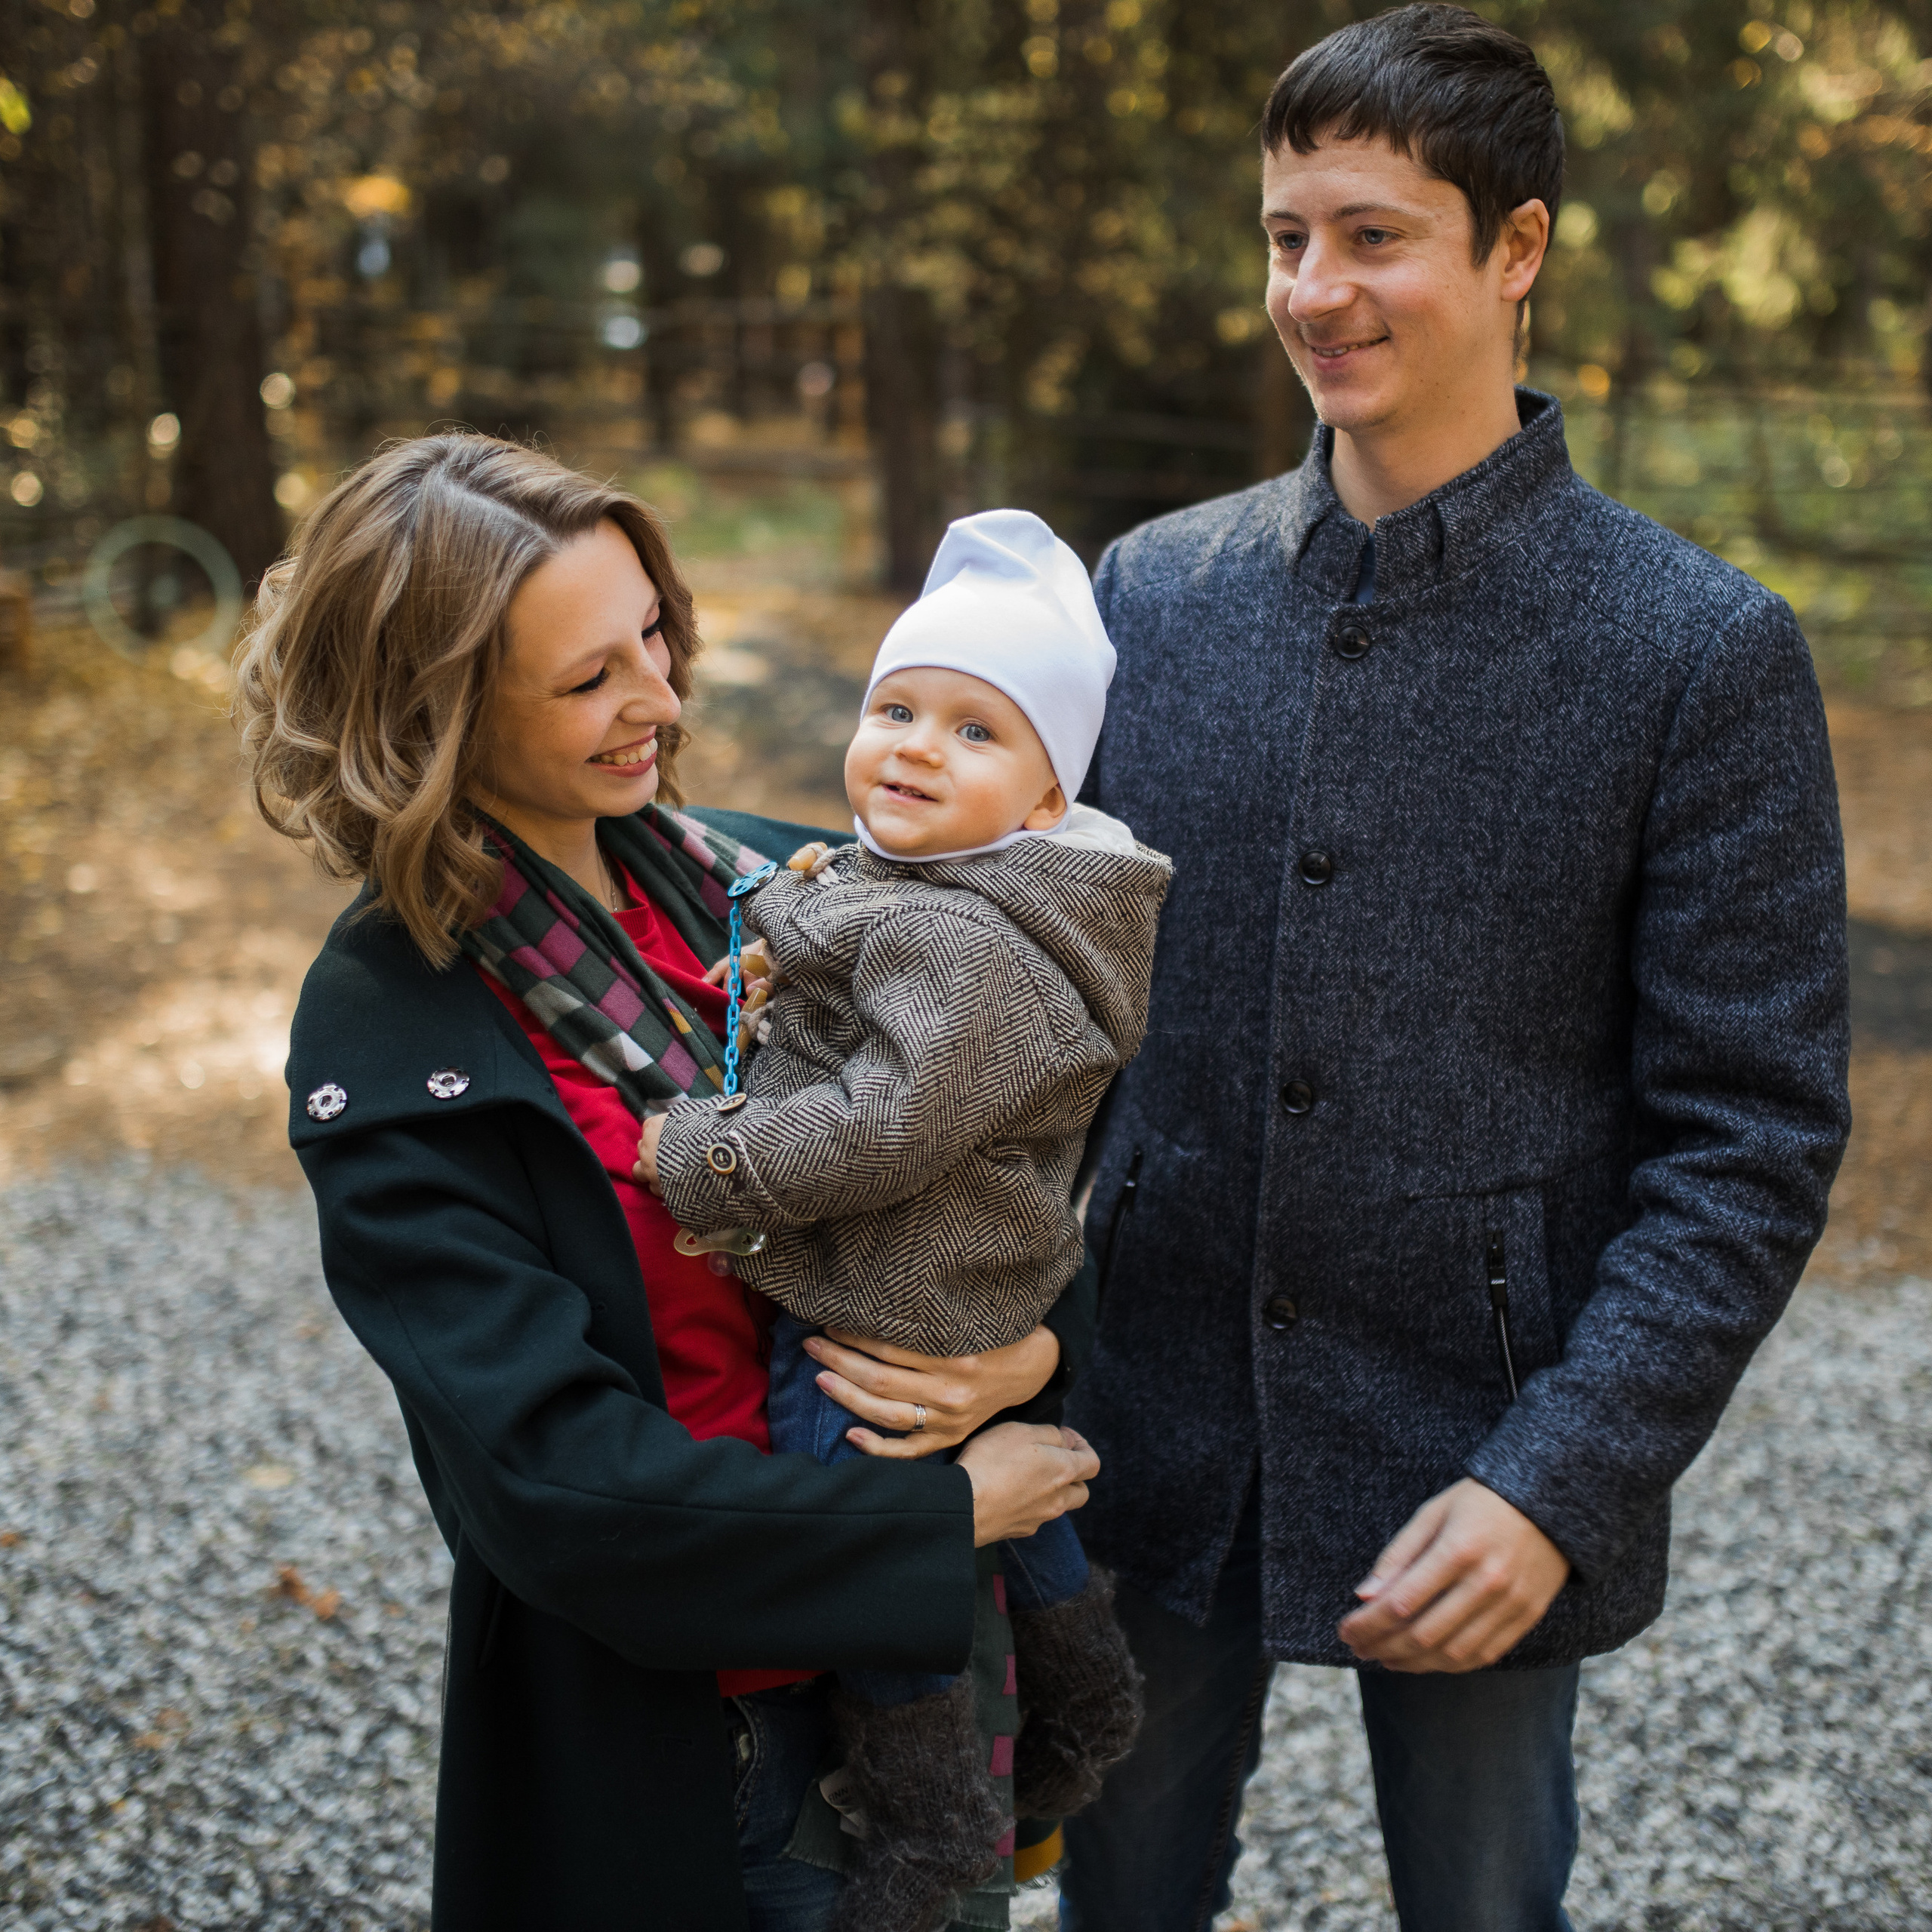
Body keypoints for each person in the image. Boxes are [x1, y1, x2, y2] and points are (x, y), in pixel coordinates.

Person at [1057, 8, 1852, 1930]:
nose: (1311, 291)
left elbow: (1746, 1135)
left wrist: (1555, 1478)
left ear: (1515, 249)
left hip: (1485, 1433)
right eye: (1280, 237)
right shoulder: (1143, 596)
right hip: (1145, 1412)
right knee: (1112, 1893)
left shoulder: (1693, 651)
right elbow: (1029, 1002)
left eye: (1370, 235)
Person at [233, 432, 1103, 1932]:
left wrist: (1033, 1350)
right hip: (714, 1751)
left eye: (652, 632)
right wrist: (942, 1509)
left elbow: (1014, 1159)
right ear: (429, 716)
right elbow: (555, 1486)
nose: (660, 697)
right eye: (587, 678)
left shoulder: (777, 882)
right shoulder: (397, 1038)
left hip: (941, 1675)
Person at [634, 509, 1170, 1932]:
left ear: (1049, 802)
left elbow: (889, 1124)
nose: (918, 746)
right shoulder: (964, 889)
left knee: (884, 1532)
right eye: (897, 708)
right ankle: (1086, 1685)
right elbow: (861, 957)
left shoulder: (962, 937)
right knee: (1022, 1511)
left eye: (976, 732)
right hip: (980, 1297)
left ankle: (931, 1823)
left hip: (886, 1312)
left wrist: (706, 1157)